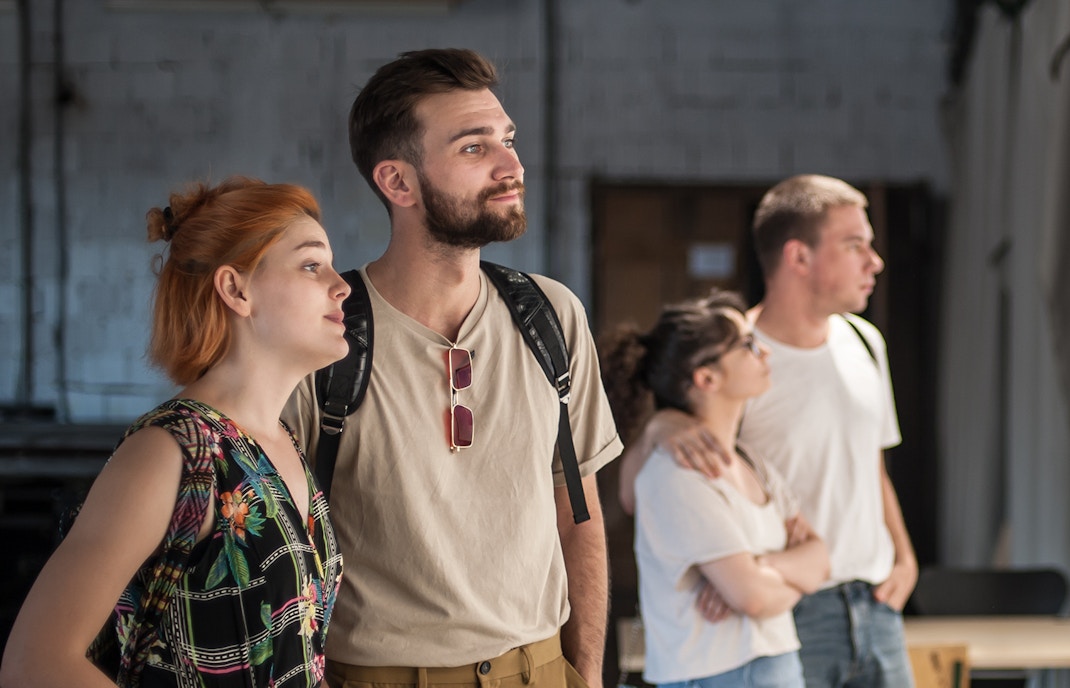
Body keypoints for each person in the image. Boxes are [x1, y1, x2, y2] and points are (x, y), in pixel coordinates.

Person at [282, 49, 622, 688]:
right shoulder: (324, 336)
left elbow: (577, 514)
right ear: (398, 183)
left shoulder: (550, 314)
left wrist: (589, 675)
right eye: (474, 148)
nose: (512, 165)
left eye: (508, 139)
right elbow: (273, 546)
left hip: (542, 670)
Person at [0, 177, 351, 688]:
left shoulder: (283, 443)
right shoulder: (173, 452)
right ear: (236, 289)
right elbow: (37, 663)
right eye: (311, 265)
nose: (341, 285)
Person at [618, 174, 917, 688]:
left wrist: (906, 559)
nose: (875, 261)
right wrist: (661, 425)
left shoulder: (866, 343)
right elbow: (635, 492)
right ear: (798, 257)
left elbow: (872, 467)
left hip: (877, 602)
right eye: (854, 246)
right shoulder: (733, 361)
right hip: (790, 612)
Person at [601, 289, 829, 688]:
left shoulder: (752, 462)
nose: (765, 353)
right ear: (706, 377)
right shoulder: (675, 475)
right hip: (713, 676)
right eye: (747, 345)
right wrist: (788, 576)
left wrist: (760, 567)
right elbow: (755, 598)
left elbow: (821, 557)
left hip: (775, 662)